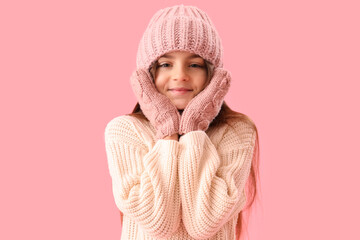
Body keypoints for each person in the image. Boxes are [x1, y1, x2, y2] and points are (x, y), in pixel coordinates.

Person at [104, 4, 260, 240]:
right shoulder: (125, 131)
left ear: (213, 75)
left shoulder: (236, 131)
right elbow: (158, 222)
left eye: (194, 64)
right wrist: (168, 131)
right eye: (166, 64)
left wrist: (193, 129)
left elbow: (204, 223)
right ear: (147, 75)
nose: (180, 75)